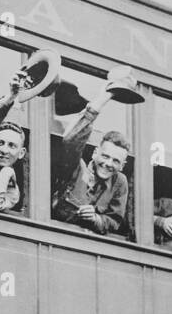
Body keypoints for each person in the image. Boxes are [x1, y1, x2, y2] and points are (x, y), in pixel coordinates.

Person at [49, 70, 140, 236]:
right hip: (56, 234)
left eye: (116, 161)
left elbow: (114, 221)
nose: (108, 164)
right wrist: (103, 98)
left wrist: (96, 219)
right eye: (105, 156)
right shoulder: (76, 167)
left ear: (122, 165)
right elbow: (72, 140)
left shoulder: (120, 182)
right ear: (95, 153)